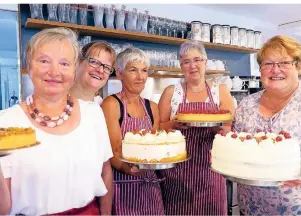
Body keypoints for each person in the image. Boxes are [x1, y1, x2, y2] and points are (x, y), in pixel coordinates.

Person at [0, 27, 113, 215]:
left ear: (74, 70)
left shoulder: (93, 114)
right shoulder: (7, 122)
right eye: (44, 61)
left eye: (64, 64)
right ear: (29, 66)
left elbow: (105, 172)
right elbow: (3, 208)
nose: (54, 71)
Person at [158, 40, 235, 215]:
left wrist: (219, 129)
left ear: (206, 62)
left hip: (211, 169)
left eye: (197, 60)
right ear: (181, 65)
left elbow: (228, 126)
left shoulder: (220, 90)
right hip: (177, 172)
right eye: (186, 61)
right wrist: (173, 124)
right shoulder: (171, 92)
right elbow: (160, 127)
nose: (192, 66)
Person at [234, 35, 301, 215]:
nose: (275, 70)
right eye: (268, 64)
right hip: (250, 207)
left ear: (298, 66)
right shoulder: (246, 104)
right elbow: (235, 146)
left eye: (284, 63)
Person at [101, 47, 164, 215]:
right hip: (123, 187)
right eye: (133, 70)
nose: (141, 76)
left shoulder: (152, 107)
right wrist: (128, 169)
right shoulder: (111, 105)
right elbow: (113, 150)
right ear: (120, 74)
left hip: (151, 188)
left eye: (144, 71)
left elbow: (154, 147)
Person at [70, 40, 116, 105]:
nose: (100, 70)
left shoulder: (102, 107)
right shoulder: (55, 98)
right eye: (94, 62)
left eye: (107, 67)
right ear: (78, 62)